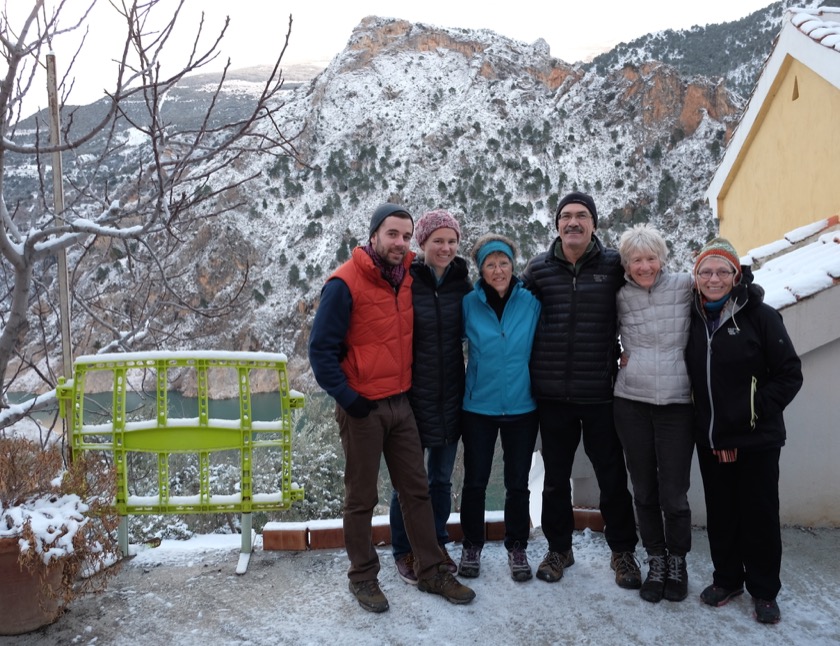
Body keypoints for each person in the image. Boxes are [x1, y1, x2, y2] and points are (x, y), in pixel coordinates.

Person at [308, 203, 475, 613]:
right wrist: (350, 400)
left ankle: (431, 569)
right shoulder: (344, 284)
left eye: (405, 235)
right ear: (374, 236)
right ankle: (363, 577)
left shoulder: (406, 280)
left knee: (416, 491)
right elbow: (320, 351)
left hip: (402, 402)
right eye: (392, 234)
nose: (399, 243)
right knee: (361, 497)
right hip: (362, 406)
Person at [522, 191, 641, 589]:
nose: (573, 222)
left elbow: (646, 295)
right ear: (556, 225)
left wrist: (637, 351)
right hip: (552, 395)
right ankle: (560, 549)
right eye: (566, 216)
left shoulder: (613, 266)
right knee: (556, 478)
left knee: (611, 476)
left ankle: (623, 551)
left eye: (582, 216)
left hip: (601, 394)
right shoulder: (538, 270)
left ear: (594, 224)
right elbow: (509, 308)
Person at [685, 238, 802, 625]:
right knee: (722, 513)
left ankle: (764, 591)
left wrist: (749, 415)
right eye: (706, 271)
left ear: (736, 275)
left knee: (759, 514)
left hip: (756, 439)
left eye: (722, 271)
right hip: (713, 438)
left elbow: (789, 374)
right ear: (696, 276)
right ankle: (728, 579)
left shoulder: (761, 316)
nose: (713, 278)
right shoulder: (693, 318)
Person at [613, 224, 694, 603]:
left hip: (678, 403)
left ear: (662, 258)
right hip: (631, 401)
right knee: (643, 490)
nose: (644, 267)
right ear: (626, 264)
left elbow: (719, 292)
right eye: (636, 260)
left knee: (674, 493)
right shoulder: (618, 294)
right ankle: (656, 559)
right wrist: (617, 358)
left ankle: (678, 561)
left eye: (650, 258)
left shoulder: (684, 286)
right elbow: (595, 333)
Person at [389, 210, 471, 584]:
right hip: (412, 396)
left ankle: (436, 543)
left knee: (441, 479)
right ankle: (404, 549)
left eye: (452, 241)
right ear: (421, 243)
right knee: (408, 481)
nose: (446, 247)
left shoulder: (462, 282)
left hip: (452, 393)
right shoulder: (406, 280)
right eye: (438, 240)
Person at [457, 234, 542, 582]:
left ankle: (517, 546)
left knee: (517, 483)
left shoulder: (531, 303)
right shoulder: (468, 305)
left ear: (513, 265)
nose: (498, 270)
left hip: (523, 405)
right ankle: (471, 545)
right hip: (479, 406)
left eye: (503, 262)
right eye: (490, 264)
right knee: (475, 482)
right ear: (481, 269)